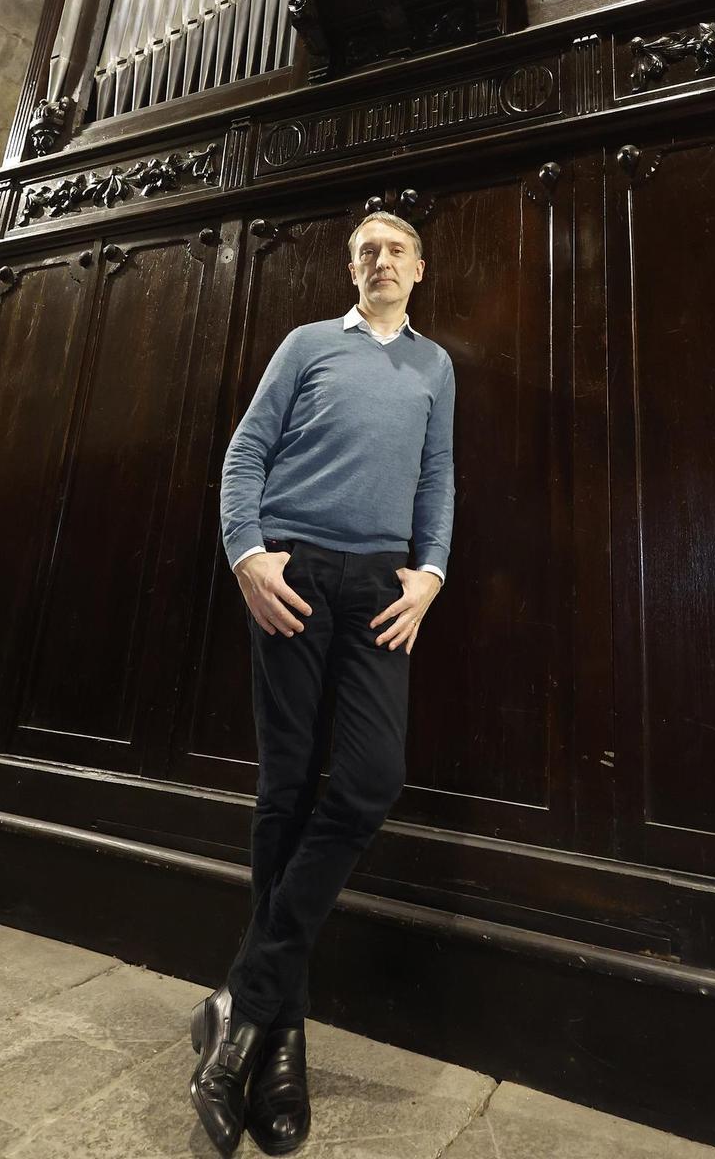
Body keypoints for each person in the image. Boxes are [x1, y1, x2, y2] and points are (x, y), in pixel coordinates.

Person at [188, 211, 455, 1156]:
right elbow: (245, 454)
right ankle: (281, 1035)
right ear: (351, 268)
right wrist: (247, 554)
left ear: (420, 268)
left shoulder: (435, 368)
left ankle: (243, 1002)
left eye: (396, 250)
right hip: (291, 578)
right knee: (289, 786)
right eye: (366, 251)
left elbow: (438, 479)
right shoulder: (307, 344)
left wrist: (431, 573)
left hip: (382, 586)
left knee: (372, 782)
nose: (381, 261)